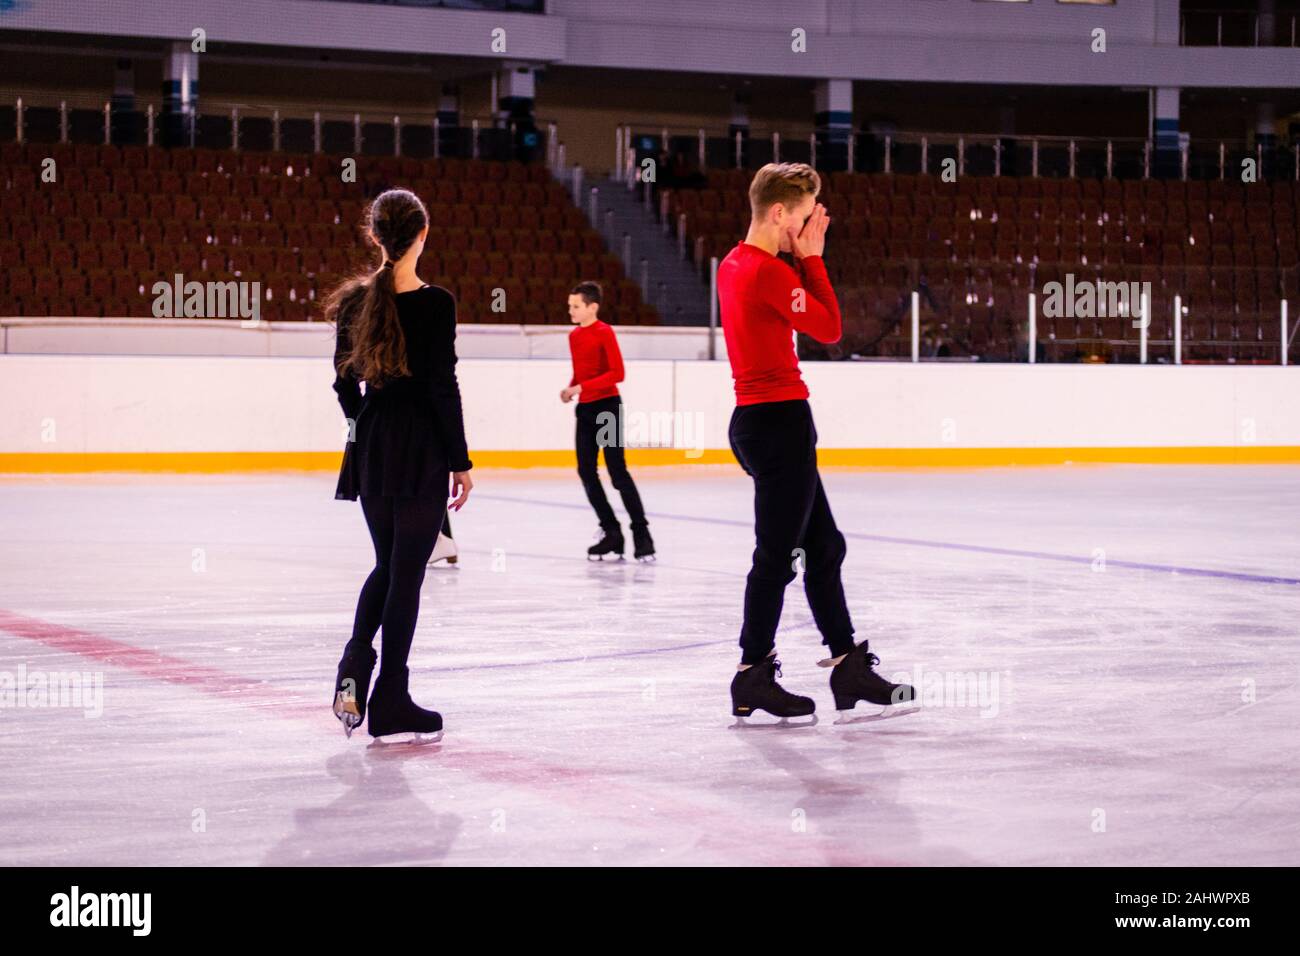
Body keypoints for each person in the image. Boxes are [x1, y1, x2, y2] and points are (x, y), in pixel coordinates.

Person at [716, 163, 914, 721]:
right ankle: (751, 672)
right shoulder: (769, 273)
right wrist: (812, 258)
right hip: (779, 423)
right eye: (801, 220)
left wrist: (796, 257)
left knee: (823, 547)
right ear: (778, 213)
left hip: (758, 422)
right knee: (776, 557)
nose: (805, 230)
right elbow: (829, 327)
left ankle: (848, 665)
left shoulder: (733, 264)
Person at [326, 187, 473, 740]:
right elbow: (441, 387)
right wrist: (460, 460)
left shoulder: (354, 302)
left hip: (373, 442)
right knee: (405, 576)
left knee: (388, 566)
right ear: (423, 233)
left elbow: (344, 383)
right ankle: (390, 698)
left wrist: (367, 424)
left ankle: (353, 671)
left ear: (375, 235)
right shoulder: (437, 303)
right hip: (421, 450)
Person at [559, 281, 655, 561]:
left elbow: (617, 373)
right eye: (570, 306)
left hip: (608, 409)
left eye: (575, 306)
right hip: (586, 410)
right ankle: (611, 531)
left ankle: (641, 532)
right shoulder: (574, 336)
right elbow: (582, 373)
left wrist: (580, 388)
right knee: (586, 472)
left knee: (617, 472)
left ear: (593, 307)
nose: (571, 311)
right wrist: (571, 388)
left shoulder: (604, 332)